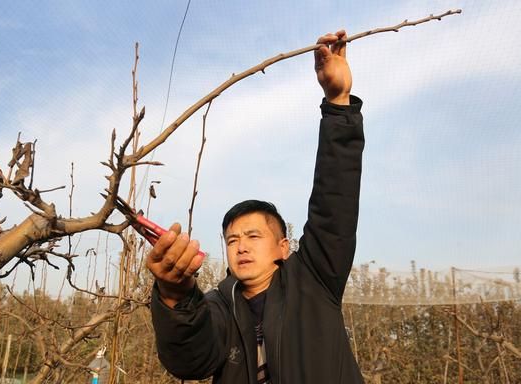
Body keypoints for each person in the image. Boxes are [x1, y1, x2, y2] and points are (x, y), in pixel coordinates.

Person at [147, 30, 365, 383]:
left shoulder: (314, 281)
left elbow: (334, 203)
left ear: (283, 246)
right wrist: (175, 295)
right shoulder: (217, 307)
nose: (241, 246)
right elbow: (190, 362)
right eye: (232, 240)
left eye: (252, 235)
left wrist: (338, 103)